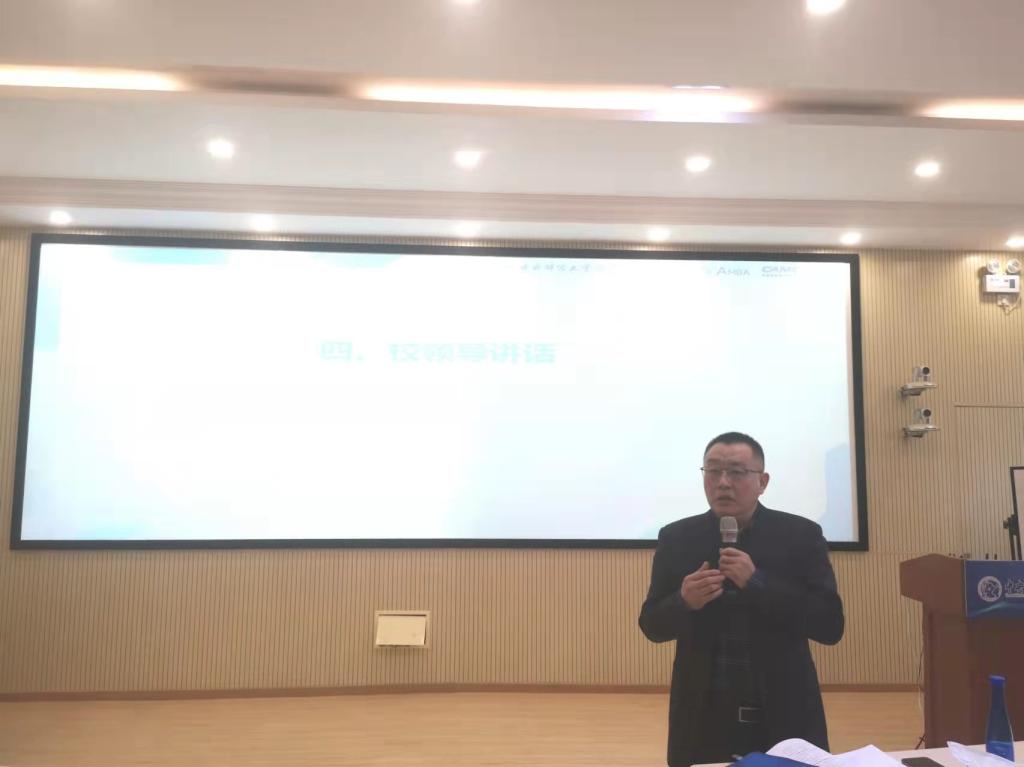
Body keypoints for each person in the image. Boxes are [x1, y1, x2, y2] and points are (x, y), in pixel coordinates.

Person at [639, 432, 844, 767]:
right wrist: (683, 601)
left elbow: (830, 625)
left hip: (784, 712)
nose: (723, 482)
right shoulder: (677, 538)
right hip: (703, 716)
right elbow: (652, 626)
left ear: (762, 482)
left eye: (736, 472)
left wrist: (758, 583)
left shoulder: (800, 535)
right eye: (712, 470)